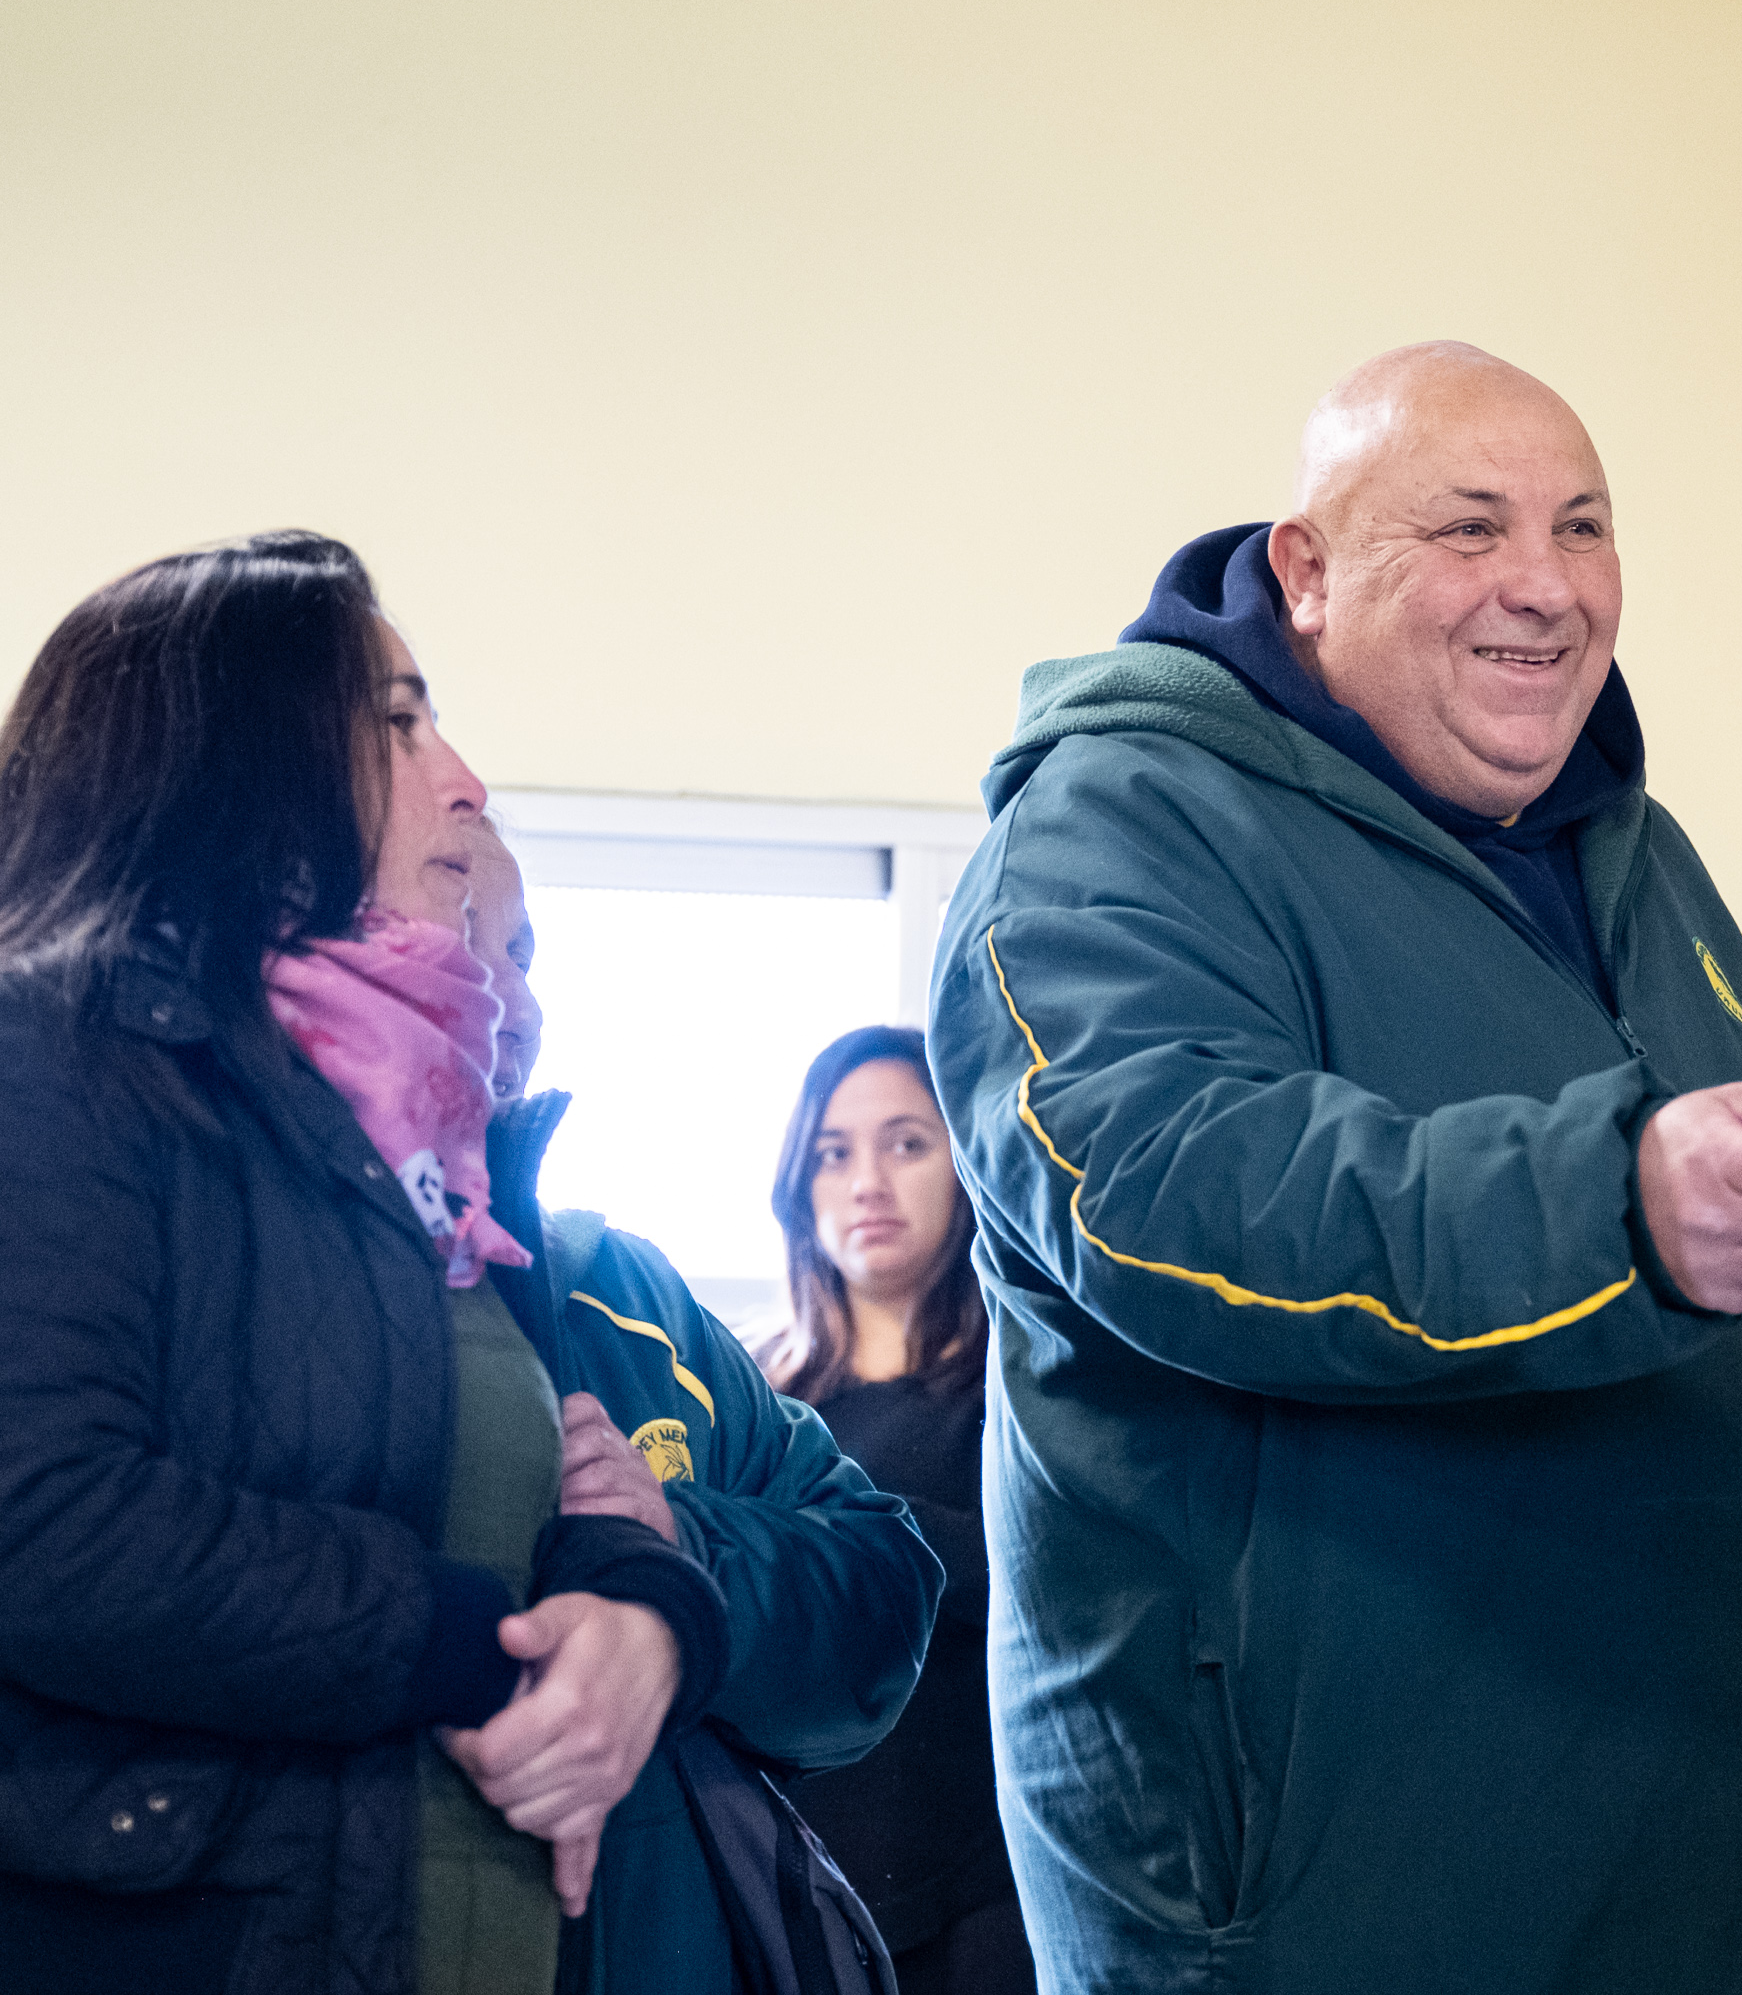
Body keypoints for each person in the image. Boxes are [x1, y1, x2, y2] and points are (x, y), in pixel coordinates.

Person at [927, 341, 1742, 1993]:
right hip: (1364, 1918)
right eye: (1471, 529)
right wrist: (1624, 1202)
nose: (1544, 589)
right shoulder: (1113, 827)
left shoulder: (1636, 855)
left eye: (1585, 529)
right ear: (1306, 572)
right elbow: (1159, 1196)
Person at [0, 533, 727, 1994]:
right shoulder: (48, 1058)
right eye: (399, 718)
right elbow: (42, 1518)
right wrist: (473, 1643)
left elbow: (556, 1484)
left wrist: (650, 1618)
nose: (463, 777)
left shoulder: (426, 1123)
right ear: (229, 758)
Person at [459, 820, 947, 1994]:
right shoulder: (223, 1282)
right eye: (461, 940)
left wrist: (680, 1554)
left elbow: (888, 1576)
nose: (514, 1003)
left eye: (525, 952)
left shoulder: (630, 1295)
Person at [755, 1024, 1034, 1995]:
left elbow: (1052, 1574)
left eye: (907, 1142)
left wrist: (830, 1532)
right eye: (836, 1152)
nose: (867, 1179)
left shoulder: (1027, 1380)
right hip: (793, 1879)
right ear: (803, 1182)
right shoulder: (752, 1401)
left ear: (963, 1163)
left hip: (986, 1887)